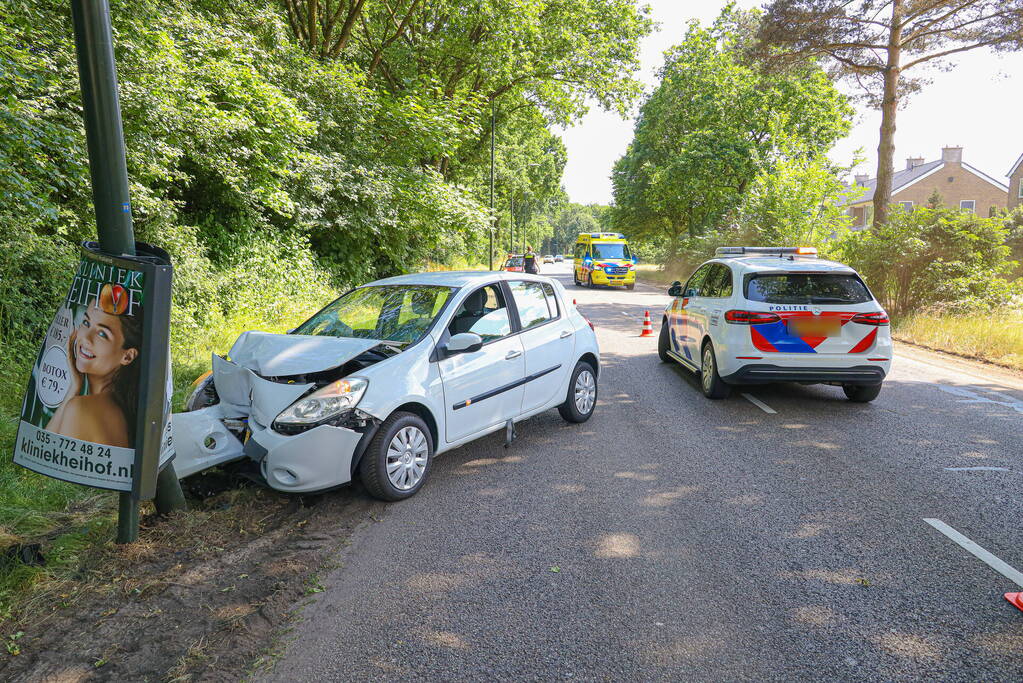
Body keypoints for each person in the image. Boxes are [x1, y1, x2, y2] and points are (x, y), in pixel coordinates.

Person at [46, 299, 142, 448]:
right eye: (86, 323)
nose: (86, 337)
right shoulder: (118, 408)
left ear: (127, 356)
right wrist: (74, 387)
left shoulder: (82, 409)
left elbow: (47, 456)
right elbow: (45, 444)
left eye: (102, 334)